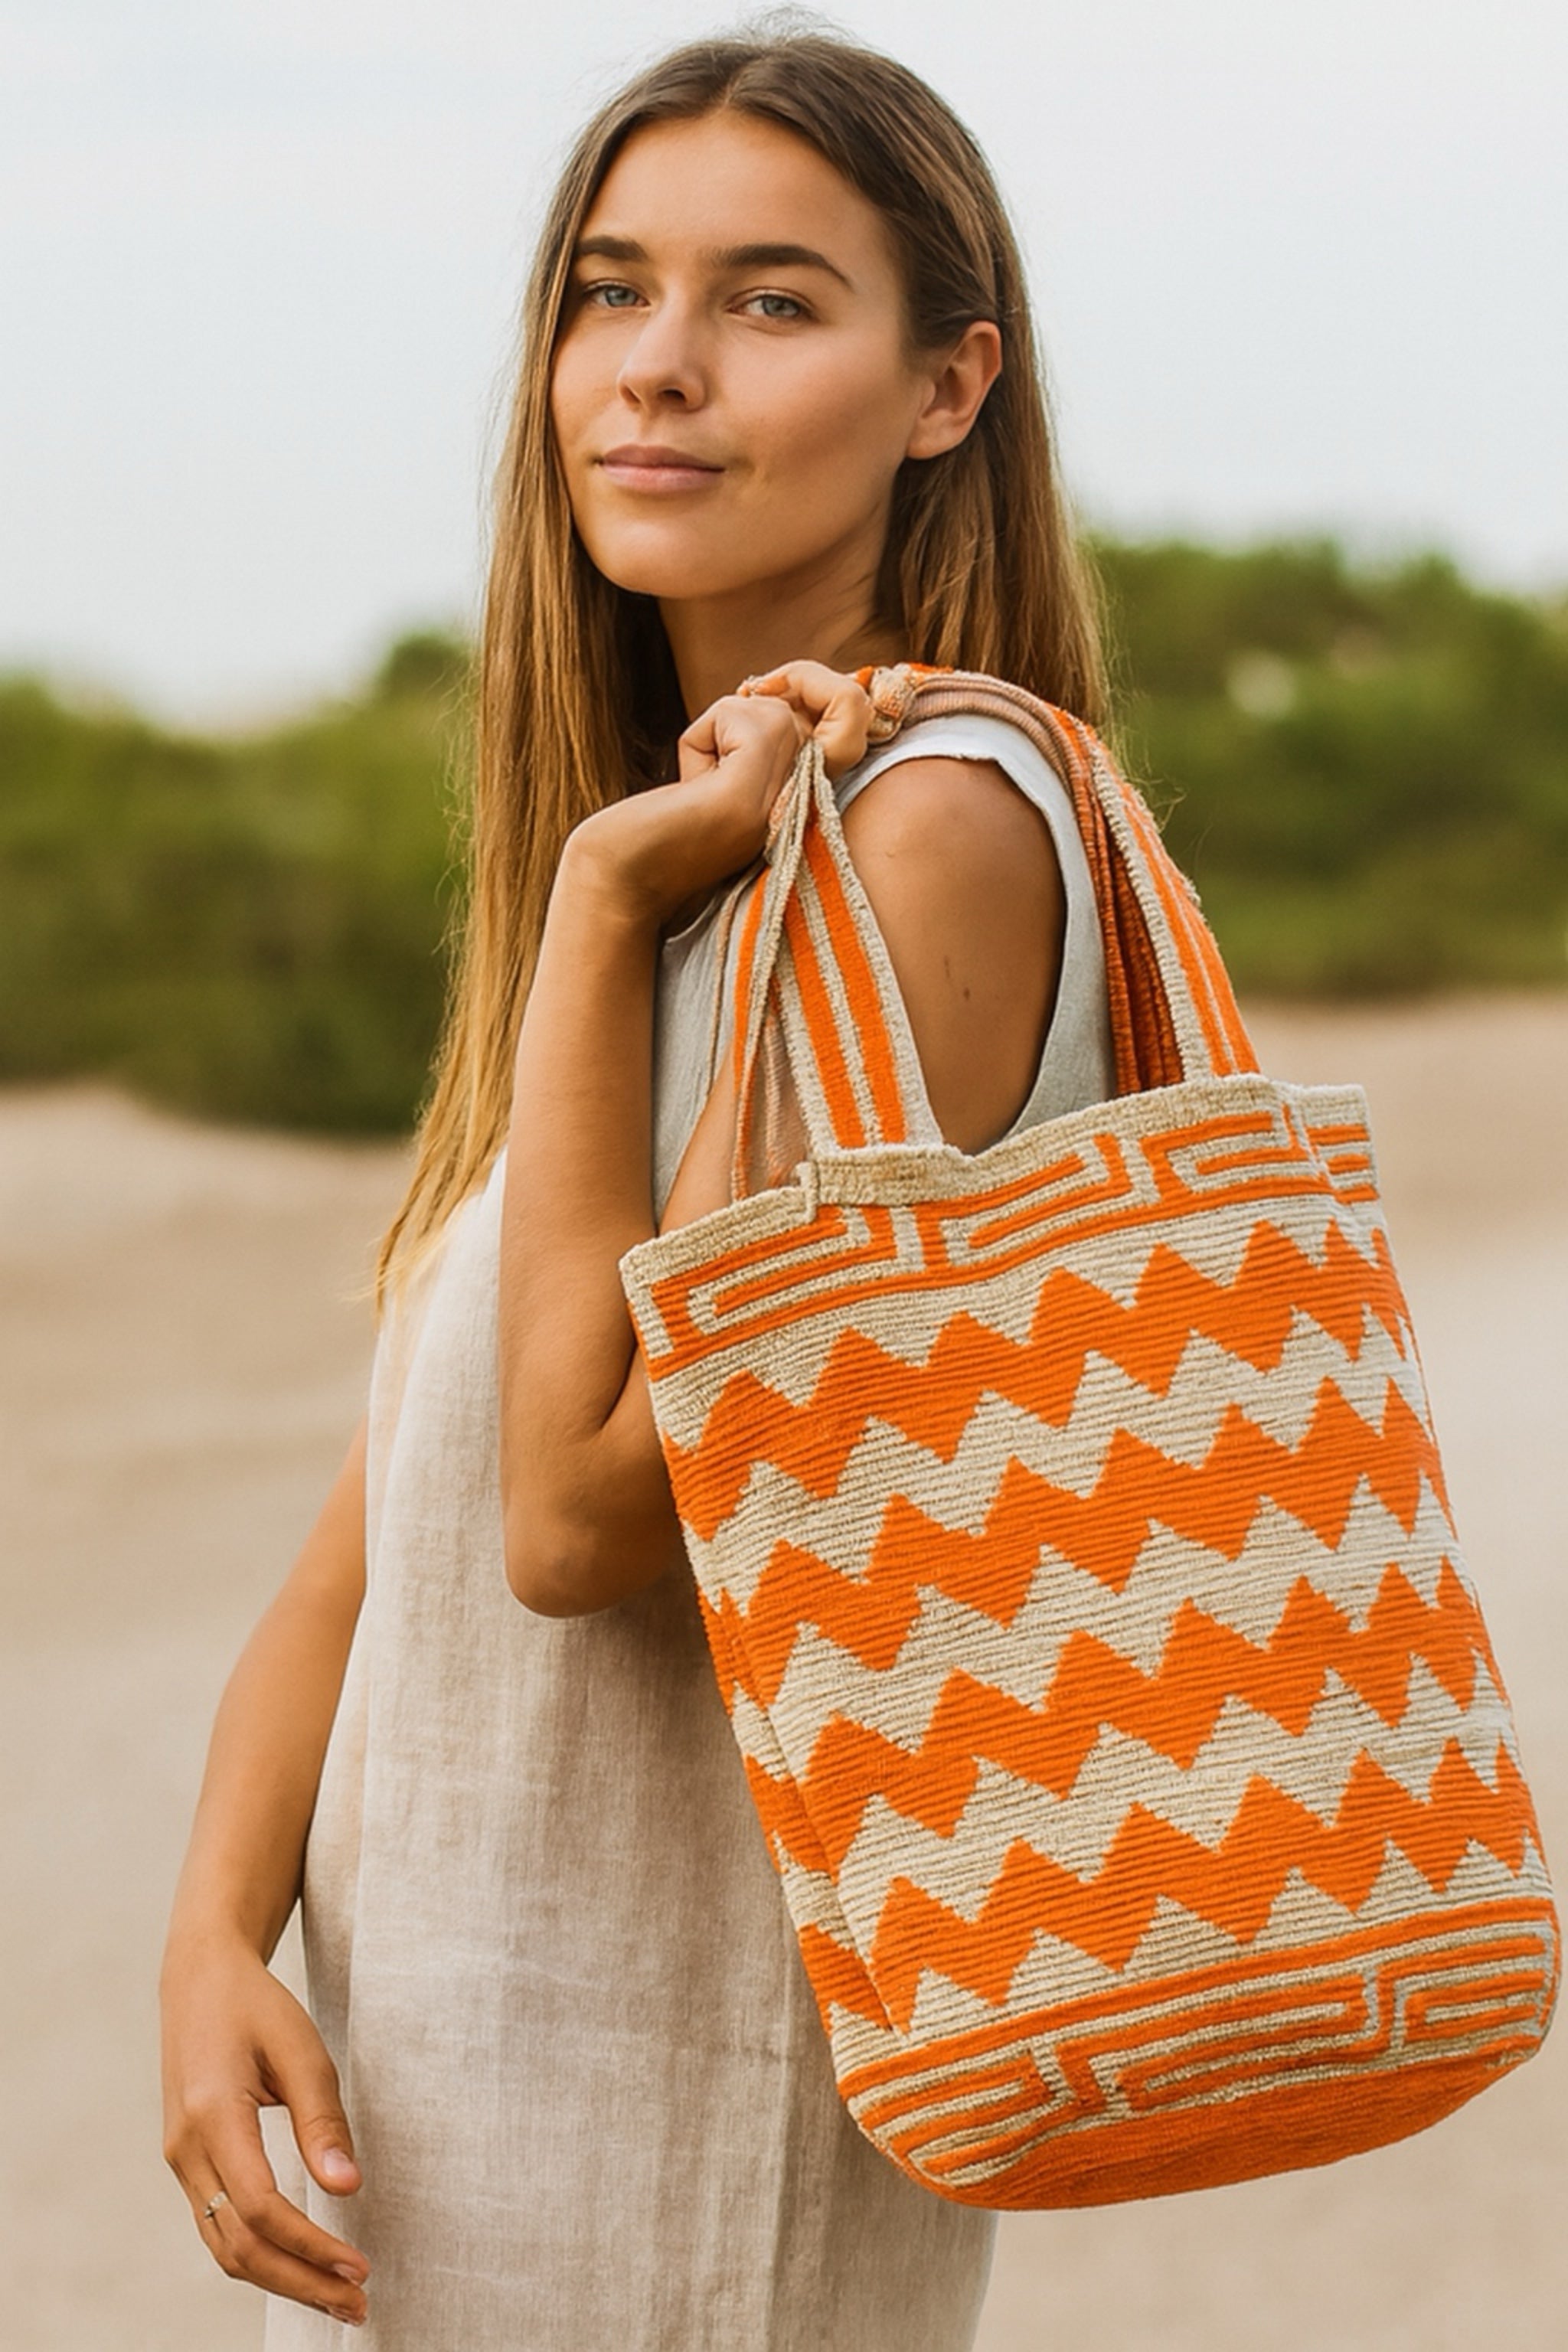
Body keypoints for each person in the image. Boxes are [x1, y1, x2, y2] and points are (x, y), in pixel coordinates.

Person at [159, 26, 1117, 2348]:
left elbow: (588, 1519)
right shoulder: (694, 858)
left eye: (774, 303)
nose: (659, 372)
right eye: (610, 293)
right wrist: (212, 1937)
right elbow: (392, 1505)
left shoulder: (933, 828)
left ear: (945, 385)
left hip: (688, 2150)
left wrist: (597, 908)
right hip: (446, 2128)